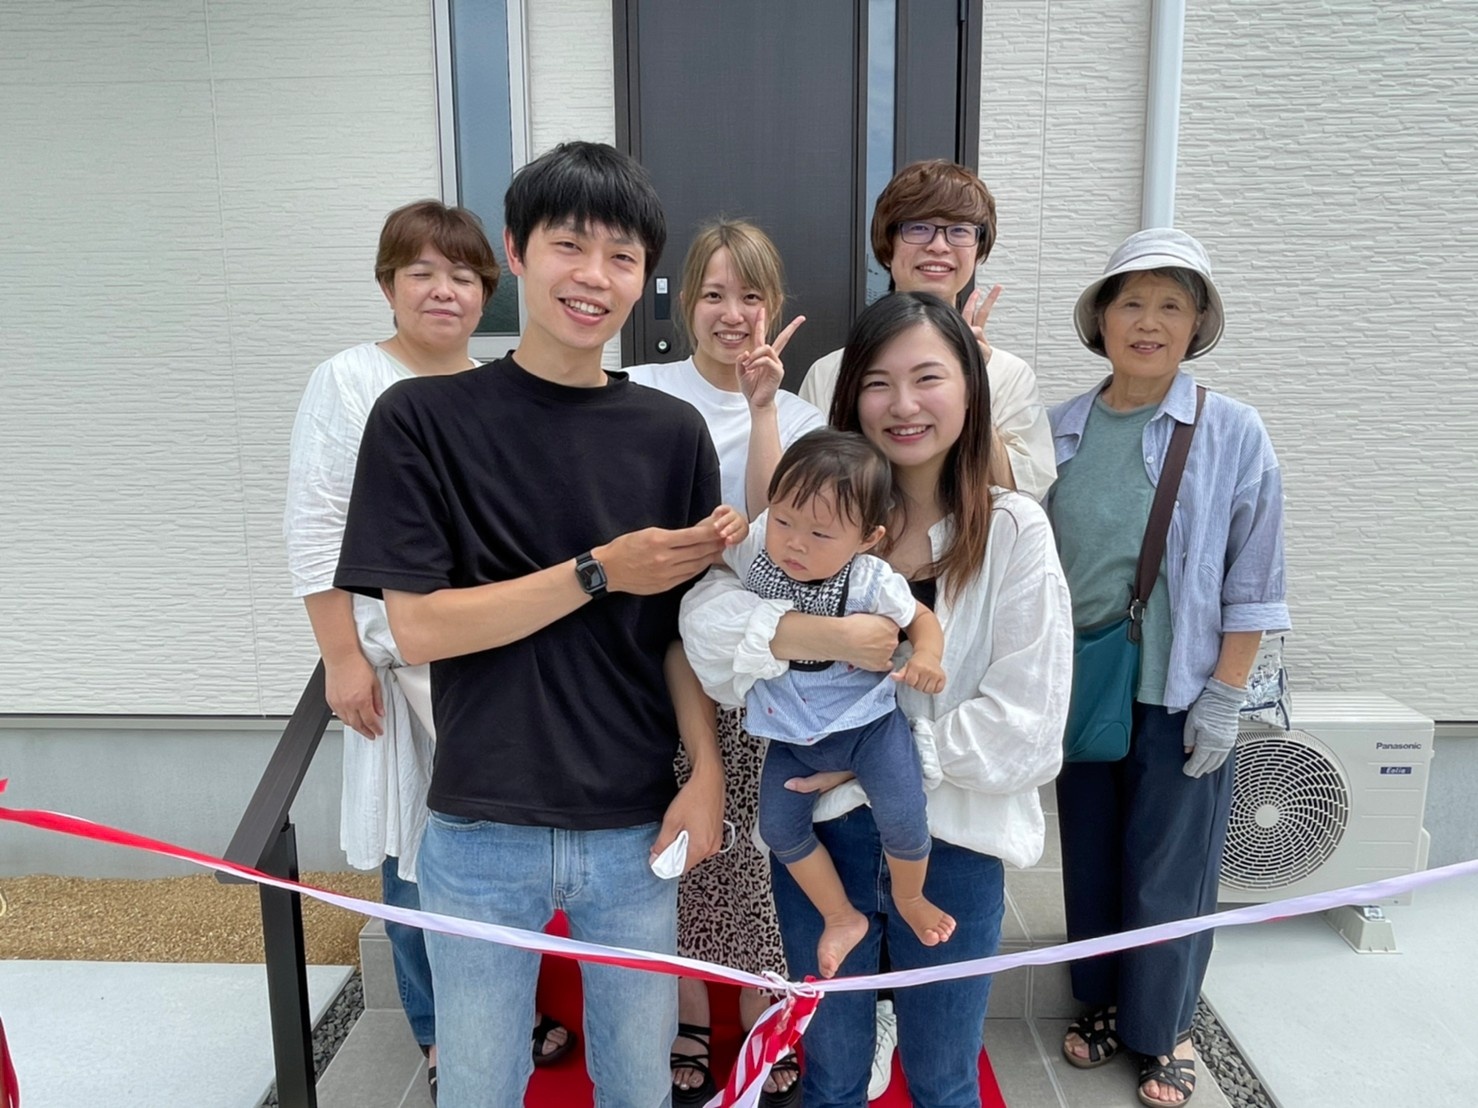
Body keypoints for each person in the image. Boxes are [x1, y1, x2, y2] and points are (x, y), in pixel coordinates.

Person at [334, 142, 735, 1108]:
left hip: (635, 823)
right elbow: (418, 629)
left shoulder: (671, 434)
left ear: (645, 276)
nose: (594, 276)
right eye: (569, 246)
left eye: (622, 257)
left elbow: (683, 634)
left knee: (639, 1083)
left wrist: (707, 774)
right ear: (515, 251)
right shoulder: (420, 420)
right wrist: (600, 572)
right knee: (479, 1086)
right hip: (481, 821)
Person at [681, 291, 1074, 1108]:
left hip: (953, 842)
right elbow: (706, 625)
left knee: (943, 1078)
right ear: (850, 394)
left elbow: (1028, 727)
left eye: (928, 378)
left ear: (970, 389)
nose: (903, 405)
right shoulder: (811, 516)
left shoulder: (1013, 531)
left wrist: (874, 763)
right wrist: (818, 635)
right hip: (820, 842)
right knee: (829, 1076)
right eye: (878, 383)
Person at [284, 200, 573, 1099]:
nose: (443, 291)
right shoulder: (349, 380)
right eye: (421, 273)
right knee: (415, 844)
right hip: (393, 653)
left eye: (461, 275)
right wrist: (342, 658)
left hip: (489, 650)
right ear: (388, 285)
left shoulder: (495, 386)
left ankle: (504, 1011)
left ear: (488, 289)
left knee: (494, 844)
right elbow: (314, 527)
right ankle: (443, 1029)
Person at [1047, 228, 1289, 1106]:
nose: (1148, 323)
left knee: (1171, 871)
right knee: (1093, 858)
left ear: (1197, 325)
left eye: (1172, 307)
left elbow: (1254, 583)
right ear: (1101, 319)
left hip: (1182, 693)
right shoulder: (1058, 429)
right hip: (1084, 686)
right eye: (1132, 303)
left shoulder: (1232, 431)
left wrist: (1226, 695)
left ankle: (1167, 1028)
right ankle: (1107, 1003)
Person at [627, 219, 822, 1106]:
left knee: (753, 841)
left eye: (750, 296)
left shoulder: (802, 415)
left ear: (774, 306)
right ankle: (690, 1013)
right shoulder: (639, 389)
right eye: (713, 294)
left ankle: (758, 1003)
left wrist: (763, 406)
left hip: (757, 659)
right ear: (683, 304)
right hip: (645, 650)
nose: (732, 313)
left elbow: (785, 540)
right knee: (669, 837)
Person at [725, 428, 954, 981]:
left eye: (820, 532)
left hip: (868, 728)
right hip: (791, 737)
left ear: (868, 537)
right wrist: (725, 528)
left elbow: (920, 618)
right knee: (778, 830)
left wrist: (927, 654)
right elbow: (721, 555)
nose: (795, 543)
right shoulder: (759, 559)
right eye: (782, 521)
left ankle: (911, 896)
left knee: (902, 815)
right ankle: (839, 915)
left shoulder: (870, 579)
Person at [798, 159, 1056, 502]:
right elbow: (806, 492)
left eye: (959, 230)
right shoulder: (829, 372)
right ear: (888, 245)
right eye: (918, 228)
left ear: (978, 249)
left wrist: (974, 379)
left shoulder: (1009, 375)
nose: (938, 245)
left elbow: (1023, 491)